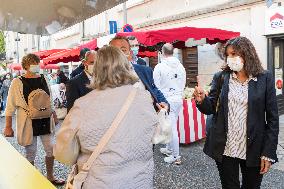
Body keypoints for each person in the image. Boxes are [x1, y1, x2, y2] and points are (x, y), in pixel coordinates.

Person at [54, 46, 158, 189]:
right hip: (141, 180)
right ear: (126, 66)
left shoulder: (83, 105)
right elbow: (152, 134)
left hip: (101, 182)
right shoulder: (144, 98)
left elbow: (63, 153)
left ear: (97, 69)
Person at [193, 37, 279, 189]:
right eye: (228, 55)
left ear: (247, 54)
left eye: (234, 54)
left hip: (253, 146)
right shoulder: (221, 77)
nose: (230, 58)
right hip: (226, 147)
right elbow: (211, 107)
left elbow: (273, 119)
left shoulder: (264, 78)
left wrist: (268, 151)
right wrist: (201, 100)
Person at [2, 54, 65, 186]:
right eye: (32, 63)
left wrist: (53, 114)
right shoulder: (17, 82)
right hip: (27, 121)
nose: (35, 65)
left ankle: (50, 176)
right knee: (30, 152)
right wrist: (8, 126)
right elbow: (10, 105)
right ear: (25, 66)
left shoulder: (44, 78)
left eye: (37, 62)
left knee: (50, 149)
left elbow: (50, 98)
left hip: (45, 119)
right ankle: (30, 177)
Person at [109, 35, 169, 111]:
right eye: (114, 51)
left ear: (130, 53)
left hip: (149, 118)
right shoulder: (103, 76)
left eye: (123, 50)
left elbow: (155, 90)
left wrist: (164, 104)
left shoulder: (145, 71)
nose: (119, 54)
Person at [153, 43, 186, 164]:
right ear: (173, 52)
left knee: (172, 128)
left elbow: (155, 86)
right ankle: (169, 149)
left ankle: (176, 156)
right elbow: (183, 83)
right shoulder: (181, 66)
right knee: (171, 124)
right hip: (178, 98)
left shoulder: (159, 67)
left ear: (162, 52)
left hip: (166, 100)